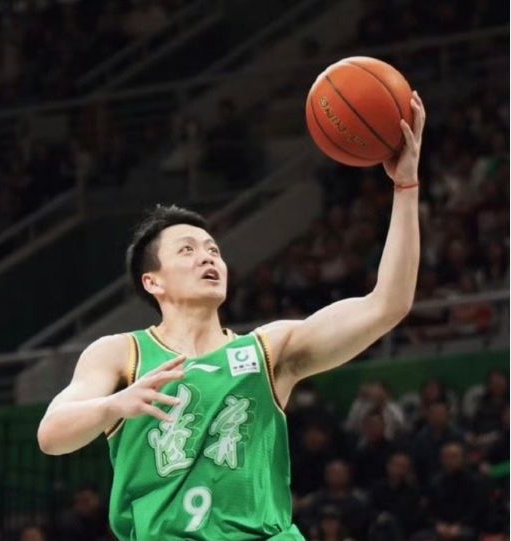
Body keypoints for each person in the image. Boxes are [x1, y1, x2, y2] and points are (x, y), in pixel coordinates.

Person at [37, 95, 426, 540]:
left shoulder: (268, 351)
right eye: (187, 250)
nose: (208, 257)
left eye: (213, 250)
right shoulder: (121, 354)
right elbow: (51, 435)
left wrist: (405, 188)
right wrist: (114, 405)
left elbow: (387, 304)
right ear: (152, 281)